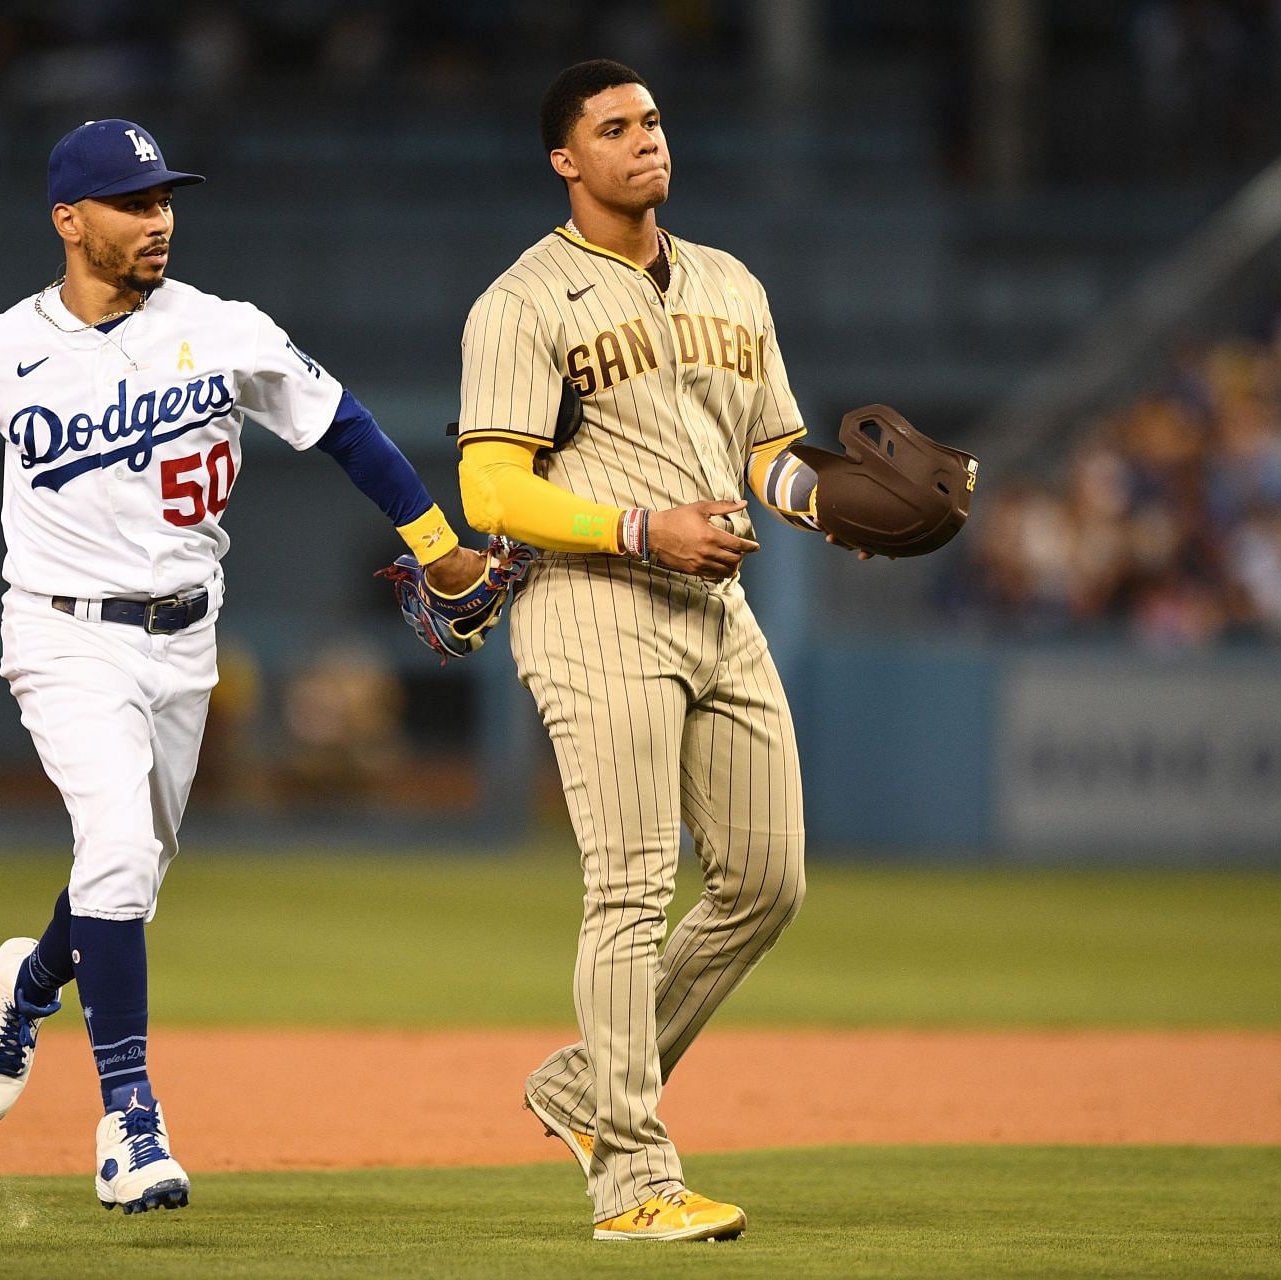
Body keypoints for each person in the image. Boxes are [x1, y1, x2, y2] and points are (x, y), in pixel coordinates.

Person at [0, 119, 489, 1215]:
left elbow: (345, 426)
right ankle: (130, 1120)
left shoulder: (224, 328)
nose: (158, 218)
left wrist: (435, 540)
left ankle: (25, 993)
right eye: (132, 202)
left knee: (130, 877)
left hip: (186, 642)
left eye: (165, 198)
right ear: (69, 220)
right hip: (62, 633)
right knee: (117, 851)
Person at [455, 60, 836, 1242]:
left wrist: (837, 507)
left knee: (767, 878)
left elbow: (770, 450)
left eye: (654, 121)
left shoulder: (730, 281)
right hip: (592, 603)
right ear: (566, 160)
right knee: (628, 880)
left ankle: (585, 1083)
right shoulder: (523, 302)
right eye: (614, 128)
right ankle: (631, 1177)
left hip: (718, 605)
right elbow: (488, 484)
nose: (644, 141)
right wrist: (637, 526)